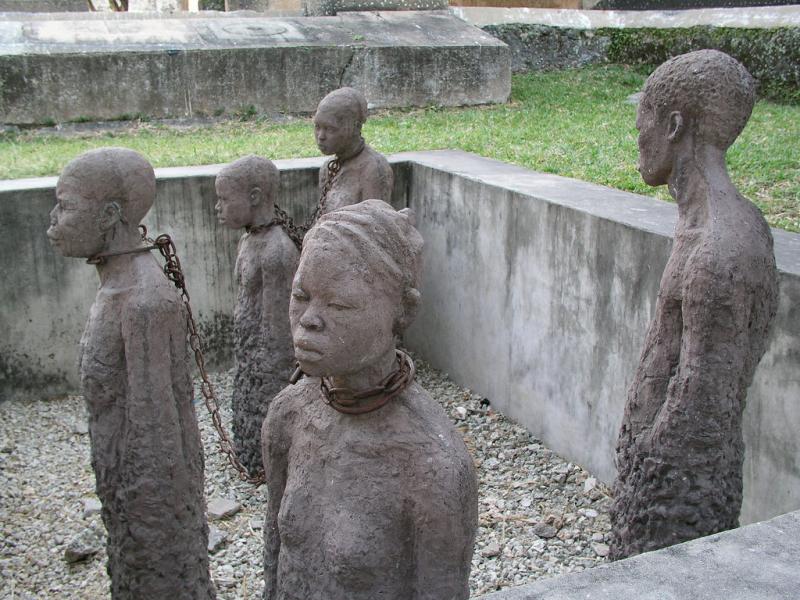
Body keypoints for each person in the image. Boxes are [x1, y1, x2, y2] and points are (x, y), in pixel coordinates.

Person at [262, 199, 478, 600]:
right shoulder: (287, 417)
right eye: (301, 295)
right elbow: (274, 557)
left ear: (404, 310)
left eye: (339, 304)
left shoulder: (433, 468)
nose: (309, 318)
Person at [610, 50, 779, 560]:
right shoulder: (714, 227)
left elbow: (700, 413)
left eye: (641, 121)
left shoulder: (718, 249)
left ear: (674, 124)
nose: (636, 137)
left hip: (672, 503)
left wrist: (644, 478)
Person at [47, 148, 216, 599]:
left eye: (65, 206)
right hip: (121, 497)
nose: (53, 219)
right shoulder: (115, 288)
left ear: (108, 215)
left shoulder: (144, 303)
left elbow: (159, 438)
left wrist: (145, 526)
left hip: (147, 512)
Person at [215, 155, 300, 477]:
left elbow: (280, 329)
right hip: (249, 353)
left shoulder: (277, 252)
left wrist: (269, 370)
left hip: (268, 363)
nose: (218, 207)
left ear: (253, 197)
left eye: (224, 200)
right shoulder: (249, 240)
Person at [313, 87, 394, 215]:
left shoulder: (374, 169)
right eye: (317, 127)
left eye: (330, 129)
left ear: (355, 127)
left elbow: (376, 227)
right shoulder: (327, 169)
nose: (321, 136)